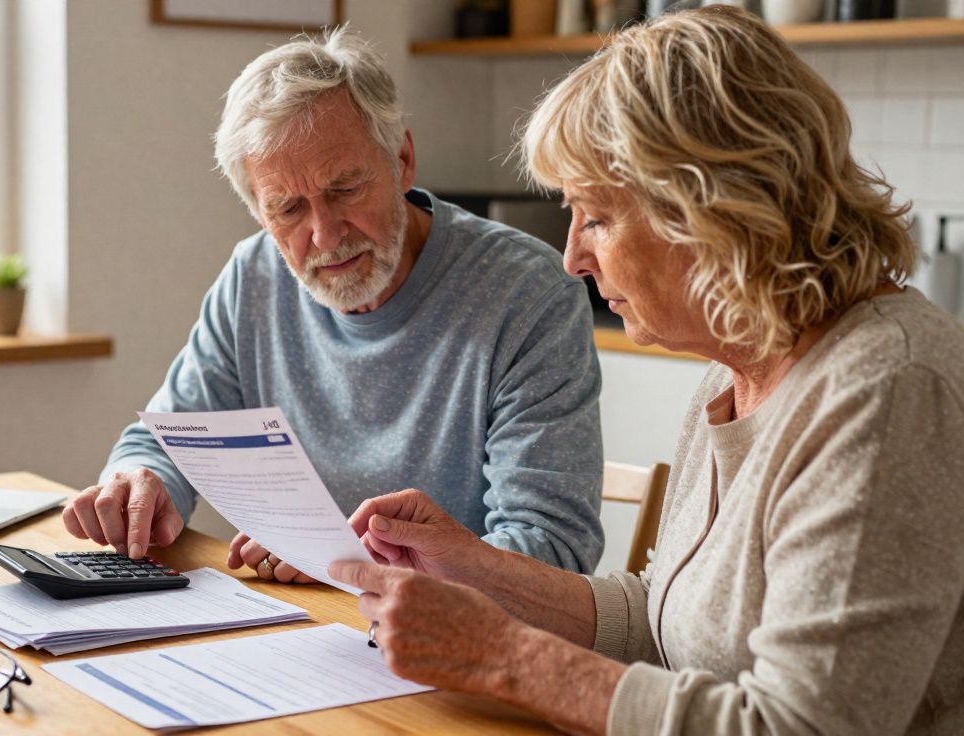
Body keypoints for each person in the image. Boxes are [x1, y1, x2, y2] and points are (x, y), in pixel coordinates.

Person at [329, 7, 964, 735]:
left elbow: (799, 728)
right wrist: (476, 568)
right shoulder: (734, 375)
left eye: (594, 216)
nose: (571, 258)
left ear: (710, 213)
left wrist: (505, 656)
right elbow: (667, 616)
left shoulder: (888, 392)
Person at [61, 28, 606, 578]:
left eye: (345, 190)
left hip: (455, 641)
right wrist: (140, 481)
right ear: (259, 212)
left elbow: (553, 548)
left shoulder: (527, 295)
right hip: (296, 621)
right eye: (289, 209)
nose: (324, 235)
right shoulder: (254, 277)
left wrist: (352, 561)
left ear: (403, 160)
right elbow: (168, 441)